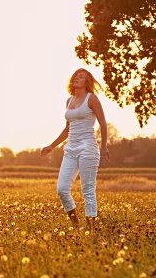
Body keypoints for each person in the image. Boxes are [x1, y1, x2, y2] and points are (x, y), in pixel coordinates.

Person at [40, 68, 110, 234]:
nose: (77, 78)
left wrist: (104, 145)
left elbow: (103, 123)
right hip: (70, 148)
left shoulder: (91, 98)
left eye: (82, 77)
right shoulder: (69, 101)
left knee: (88, 189)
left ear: (87, 82)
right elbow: (68, 129)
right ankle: (77, 226)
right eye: (76, 75)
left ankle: (91, 230)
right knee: (62, 189)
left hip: (88, 147)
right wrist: (52, 146)